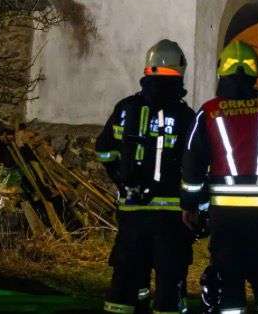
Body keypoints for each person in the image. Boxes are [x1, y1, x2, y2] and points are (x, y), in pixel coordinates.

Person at [181, 40, 258, 314]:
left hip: (225, 219)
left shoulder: (209, 111)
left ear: (222, 72)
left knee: (230, 282)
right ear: (254, 73)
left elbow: (193, 162)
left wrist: (190, 205)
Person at [96, 39, 197, 314]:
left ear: (148, 68)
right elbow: (196, 165)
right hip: (172, 216)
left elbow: (104, 150)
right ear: (180, 71)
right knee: (170, 280)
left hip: (132, 211)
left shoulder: (126, 108)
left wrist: (119, 177)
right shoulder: (187, 116)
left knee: (126, 278)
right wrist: (196, 206)